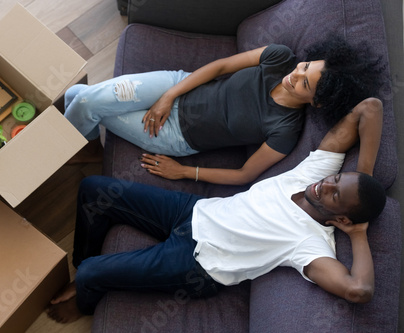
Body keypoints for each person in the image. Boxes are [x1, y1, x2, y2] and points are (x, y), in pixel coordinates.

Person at [47, 97, 386, 323]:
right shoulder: (314, 176)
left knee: (92, 274)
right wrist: (363, 177)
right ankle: (82, 266)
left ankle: (84, 300)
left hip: (196, 263)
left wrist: (358, 232)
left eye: (335, 196)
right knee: (93, 189)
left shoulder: (311, 245)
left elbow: (359, 290)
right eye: (337, 178)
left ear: (341, 218)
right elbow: (370, 108)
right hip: (194, 211)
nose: (325, 185)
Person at [63, 36, 382, 185]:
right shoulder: (280, 57)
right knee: (80, 97)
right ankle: (86, 146)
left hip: (175, 136)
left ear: (318, 103)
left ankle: (71, 146)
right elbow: (221, 66)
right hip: (177, 86)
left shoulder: (285, 129)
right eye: (306, 66)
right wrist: (170, 94)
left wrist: (184, 171)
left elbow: (246, 174)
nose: (295, 74)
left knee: (81, 96)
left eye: (304, 84)